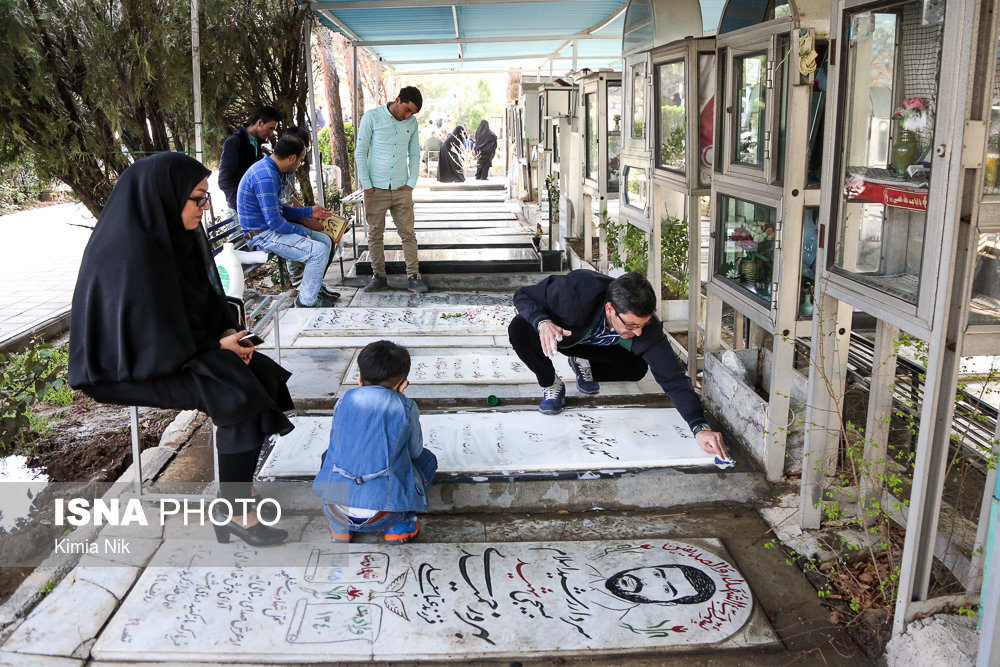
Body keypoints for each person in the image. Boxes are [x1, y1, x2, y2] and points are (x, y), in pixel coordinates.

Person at [68, 152, 294, 547]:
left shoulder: (174, 232)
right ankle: (236, 511)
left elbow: (204, 299)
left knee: (261, 373)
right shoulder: (129, 250)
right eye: (197, 199)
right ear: (166, 197)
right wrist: (215, 349)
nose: (205, 208)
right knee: (234, 392)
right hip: (125, 367)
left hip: (173, 350)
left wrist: (229, 335)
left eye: (206, 198)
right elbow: (147, 333)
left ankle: (238, 491)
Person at [508, 270, 728, 459]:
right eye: (632, 325)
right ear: (610, 309)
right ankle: (550, 383)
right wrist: (542, 322)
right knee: (519, 329)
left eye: (643, 324)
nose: (639, 332)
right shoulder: (575, 291)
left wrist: (698, 426)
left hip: (594, 346)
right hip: (565, 333)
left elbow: (672, 376)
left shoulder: (646, 328)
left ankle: (584, 363)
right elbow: (523, 294)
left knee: (637, 368)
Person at [311, 340, 438, 544]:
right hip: (386, 514)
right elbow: (415, 452)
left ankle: (340, 527)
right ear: (403, 384)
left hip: (335, 510)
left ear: (359, 380)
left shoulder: (343, 401)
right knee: (427, 460)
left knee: (329, 455)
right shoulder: (406, 406)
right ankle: (401, 524)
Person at [238, 130, 336, 308]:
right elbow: (275, 221)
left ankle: (312, 289)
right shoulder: (266, 176)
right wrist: (301, 233)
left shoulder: (271, 169)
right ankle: (306, 302)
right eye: (300, 160)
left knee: (324, 240)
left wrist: (308, 212)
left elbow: (279, 210)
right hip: (262, 235)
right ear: (292, 158)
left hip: (268, 228)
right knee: (318, 251)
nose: (300, 164)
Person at [355, 86, 428, 294]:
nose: (408, 116)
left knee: (408, 233)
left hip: (401, 187)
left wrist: (412, 182)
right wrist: (366, 185)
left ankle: (413, 276)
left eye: (412, 113)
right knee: (375, 234)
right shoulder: (372, 118)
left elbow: (414, 154)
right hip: (375, 188)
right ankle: (378, 276)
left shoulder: (411, 123)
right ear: (397, 100)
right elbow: (360, 152)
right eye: (407, 110)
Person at [278, 128, 340, 301]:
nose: (301, 160)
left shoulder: (289, 169)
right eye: (301, 155)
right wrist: (306, 219)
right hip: (282, 223)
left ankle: (315, 284)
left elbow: (289, 196)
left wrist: (308, 212)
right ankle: (301, 283)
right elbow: (281, 209)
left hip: (290, 216)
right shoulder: (277, 169)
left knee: (328, 239)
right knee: (319, 245)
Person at [218, 106, 281, 214]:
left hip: (255, 208)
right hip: (240, 211)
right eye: (270, 128)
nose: (271, 134)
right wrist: (240, 207)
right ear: (260, 123)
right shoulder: (234, 142)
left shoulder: (257, 143)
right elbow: (225, 181)